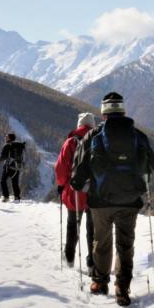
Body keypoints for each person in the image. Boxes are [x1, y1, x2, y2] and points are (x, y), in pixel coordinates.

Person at [71, 92, 154, 307]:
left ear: (103, 114)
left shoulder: (92, 136)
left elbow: (80, 168)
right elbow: (153, 163)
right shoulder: (137, 135)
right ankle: (122, 287)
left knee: (101, 242)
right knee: (125, 244)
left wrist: (77, 184)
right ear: (123, 111)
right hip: (130, 200)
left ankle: (100, 283)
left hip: (100, 200)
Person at [55, 113, 96, 274]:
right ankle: (92, 263)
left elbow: (61, 168)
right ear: (92, 125)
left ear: (79, 125)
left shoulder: (70, 142)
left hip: (75, 191)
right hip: (94, 191)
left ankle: (69, 258)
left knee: (73, 225)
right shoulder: (98, 140)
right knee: (92, 228)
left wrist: (62, 186)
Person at [0, 133, 24, 203]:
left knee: (3, 181)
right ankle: (17, 197)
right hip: (17, 166)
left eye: (6, 137)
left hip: (8, 166)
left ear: (10, 138)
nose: (5, 137)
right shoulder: (19, 146)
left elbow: (3, 157)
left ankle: (6, 197)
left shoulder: (7, 146)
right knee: (15, 182)